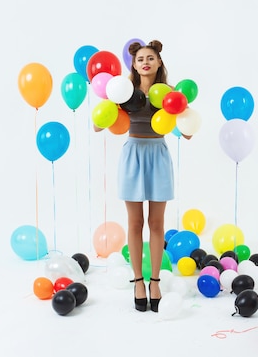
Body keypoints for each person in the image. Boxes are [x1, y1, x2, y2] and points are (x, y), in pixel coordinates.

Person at [95, 40, 190, 312]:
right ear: (134, 65)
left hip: (158, 154)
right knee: (135, 222)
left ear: (159, 62)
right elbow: (98, 125)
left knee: (157, 223)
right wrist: (108, 106)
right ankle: (138, 280)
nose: (145, 62)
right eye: (140, 59)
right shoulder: (123, 92)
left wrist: (180, 111)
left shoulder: (170, 93)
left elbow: (187, 131)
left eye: (150, 57)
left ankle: (155, 281)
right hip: (133, 155)